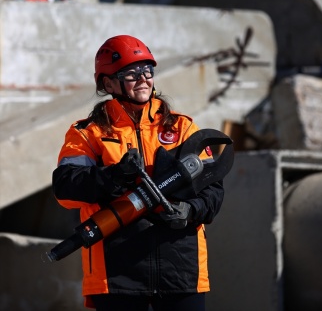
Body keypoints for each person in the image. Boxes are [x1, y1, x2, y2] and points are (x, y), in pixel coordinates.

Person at [52, 35, 226, 311]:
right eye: (131, 74)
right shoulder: (88, 132)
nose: (143, 78)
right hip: (116, 272)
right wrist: (114, 176)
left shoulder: (181, 128)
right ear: (107, 83)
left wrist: (190, 211)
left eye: (147, 71)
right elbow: (65, 189)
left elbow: (213, 189)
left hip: (181, 268)